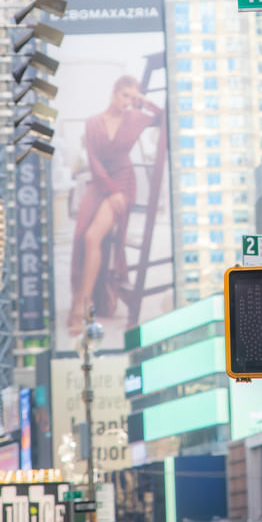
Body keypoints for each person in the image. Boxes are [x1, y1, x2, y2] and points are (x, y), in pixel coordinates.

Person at [68, 75, 164, 335]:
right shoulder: (92, 123)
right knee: (79, 236)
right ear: (114, 92)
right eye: (125, 96)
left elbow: (163, 117)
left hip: (123, 182)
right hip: (101, 182)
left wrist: (143, 101)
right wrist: (108, 190)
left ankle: (83, 305)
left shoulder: (135, 118)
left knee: (91, 237)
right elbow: (94, 160)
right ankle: (82, 297)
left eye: (133, 98)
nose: (127, 102)